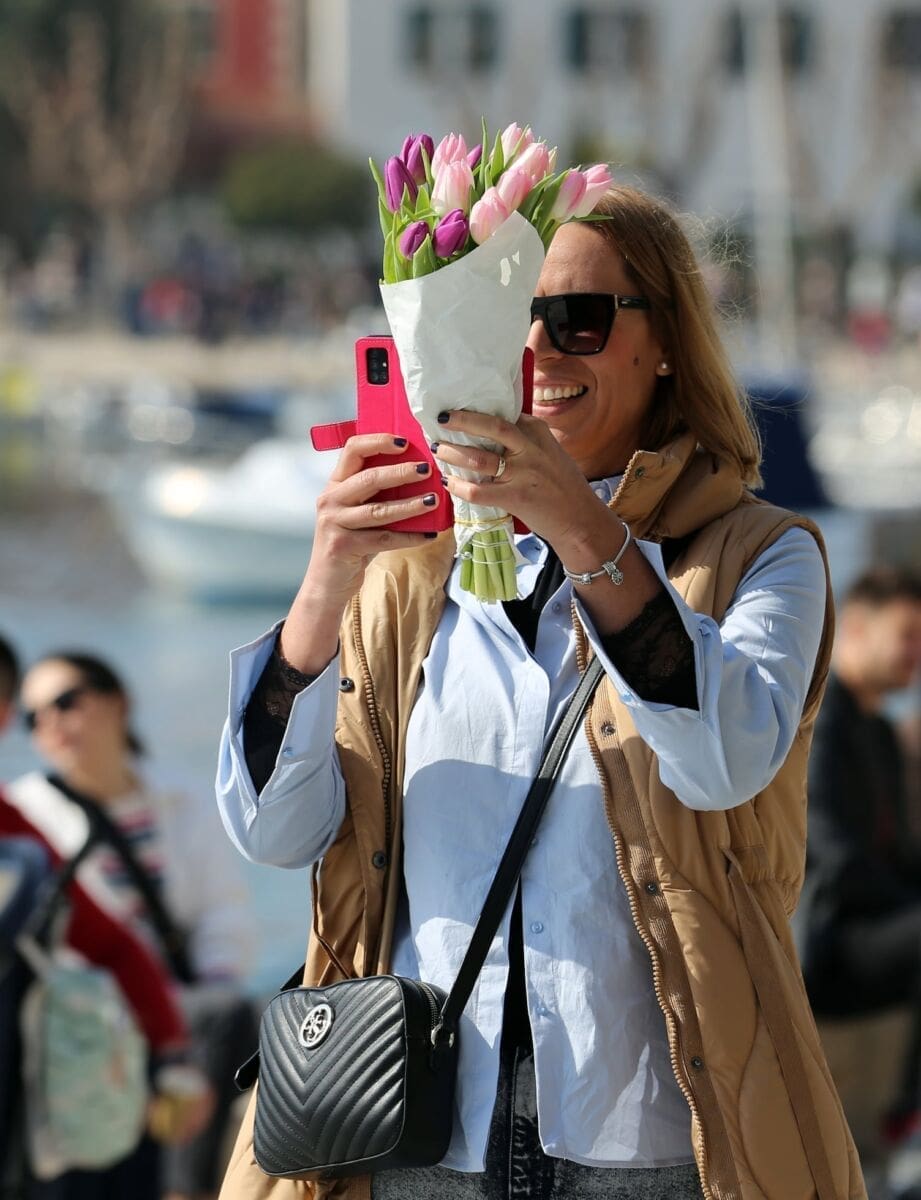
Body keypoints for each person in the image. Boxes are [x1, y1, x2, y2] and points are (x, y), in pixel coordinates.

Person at [217, 185, 863, 1199]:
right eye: (503, 317)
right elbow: (273, 832)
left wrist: (580, 526)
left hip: (658, 1136)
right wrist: (324, 586)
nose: (534, 350)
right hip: (417, 1130)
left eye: (577, 318)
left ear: (665, 343)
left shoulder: (762, 557)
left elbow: (723, 763)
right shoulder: (404, 578)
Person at [6, 650, 256, 1200]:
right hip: (90, 1004)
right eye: (32, 717)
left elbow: (223, 912)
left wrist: (200, 990)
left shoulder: (183, 798)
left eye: (65, 702)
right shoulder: (25, 811)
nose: (50, 723)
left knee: (230, 1013)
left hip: (181, 1000)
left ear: (118, 702)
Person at [797, 568, 921, 1197]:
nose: (915, 654)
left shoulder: (876, 730)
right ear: (857, 628)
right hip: (826, 942)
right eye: (908, 634)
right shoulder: (820, 719)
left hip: (872, 928)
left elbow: (898, 858)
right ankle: (907, 1115)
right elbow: (835, 857)